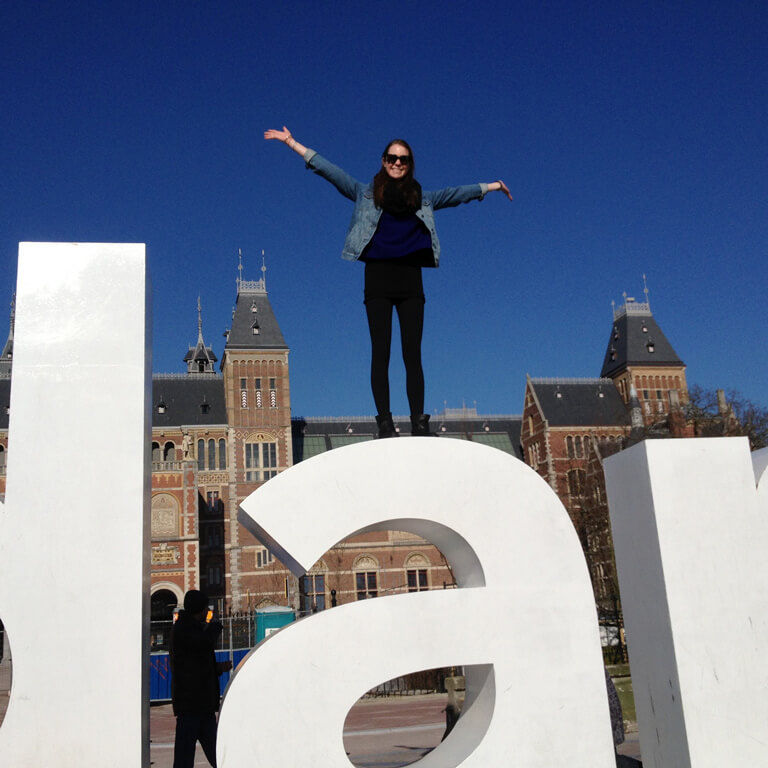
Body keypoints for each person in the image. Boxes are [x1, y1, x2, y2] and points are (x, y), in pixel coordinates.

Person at [264, 127, 513, 438]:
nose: (397, 163)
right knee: (380, 352)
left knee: (413, 354)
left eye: (403, 159)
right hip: (378, 279)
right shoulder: (364, 194)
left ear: (409, 164)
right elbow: (329, 171)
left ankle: (419, 423)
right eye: (392, 158)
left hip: (411, 280)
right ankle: (384, 423)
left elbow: (454, 195)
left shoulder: (421, 199)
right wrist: (292, 143)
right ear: (383, 161)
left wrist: (491, 186)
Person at [169, 590, 232, 768]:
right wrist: (215, 625)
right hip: (192, 704)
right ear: (199, 609)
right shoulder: (185, 629)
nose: (207, 613)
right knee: (188, 757)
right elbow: (202, 644)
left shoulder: (187, 628)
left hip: (197, 704)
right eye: (206, 609)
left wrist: (218, 668)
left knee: (215, 753)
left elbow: (196, 664)